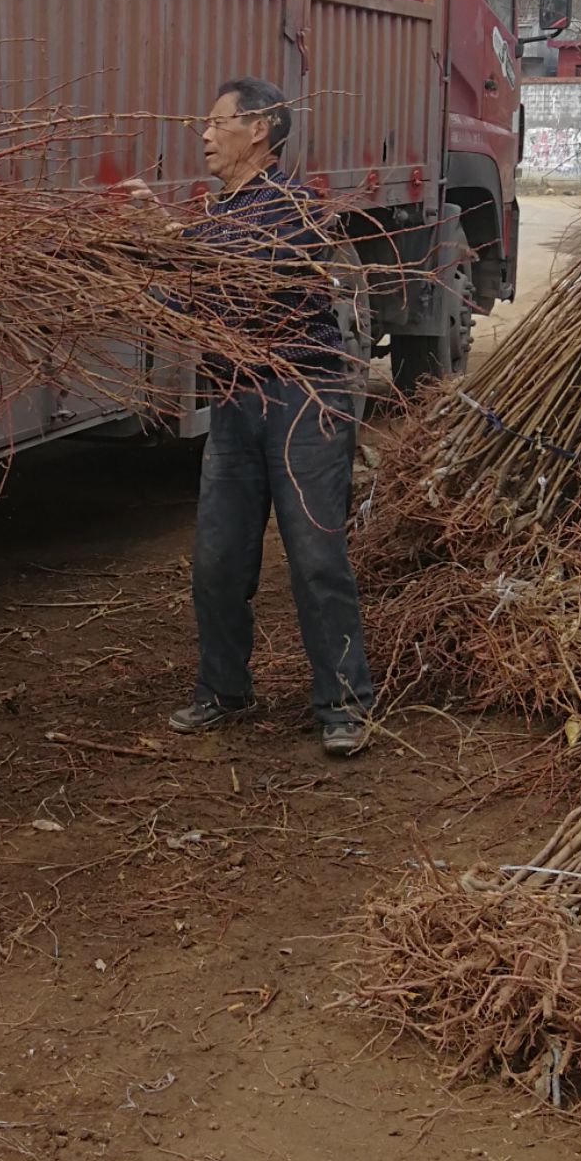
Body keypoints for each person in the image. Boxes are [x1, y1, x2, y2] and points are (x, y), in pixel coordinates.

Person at [137, 78, 375, 757]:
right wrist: (155, 264)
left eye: (216, 124)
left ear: (260, 129)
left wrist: (175, 247)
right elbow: (192, 307)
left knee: (315, 557)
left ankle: (344, 704)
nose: (204, 136)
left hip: (305, 399)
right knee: (216, 557)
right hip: (236, 400)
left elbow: (240, 280)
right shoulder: (216, 217)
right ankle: (222, 690)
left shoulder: (295, 208)